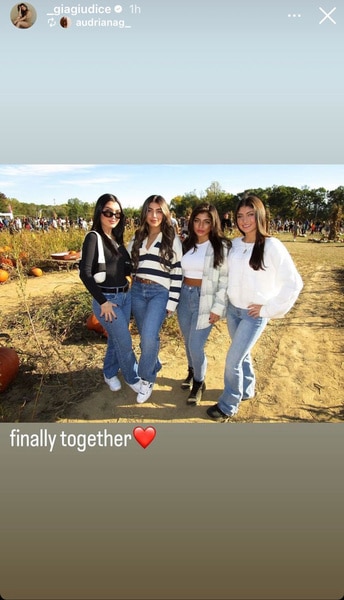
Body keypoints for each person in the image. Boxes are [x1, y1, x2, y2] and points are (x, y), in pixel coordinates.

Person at [206, 195, 303, 421]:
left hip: (253, 314)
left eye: (250, 214)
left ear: (260, 216)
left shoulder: (272, 246)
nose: (245, 220)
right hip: (234, 311)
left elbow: (294, 283)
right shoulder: (235, 245)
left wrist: (268, 308)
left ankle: (228, 404)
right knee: (242, 354)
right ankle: (247, 389)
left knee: (233, 359)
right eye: (240, 216)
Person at [79, 193, 141, 395]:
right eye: (108, 212)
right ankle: (133, 378)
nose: (113, 216)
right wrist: (103, 302)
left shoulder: (116, 239)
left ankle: (109, 372)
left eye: (117, 213)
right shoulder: (93, 238)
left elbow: (124, 272)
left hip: (125, 297)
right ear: (99, 213)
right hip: (108, 301)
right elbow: (85, 274)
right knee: (125, 342)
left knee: (116, 339)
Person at [128, 195, 183, 404]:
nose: (154, 215)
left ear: (165, 213)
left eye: (159, 210)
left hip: (160, 293)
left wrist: (172, 302)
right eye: (150, 210)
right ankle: (153, 363)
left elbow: (177, 273)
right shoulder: (137, 237)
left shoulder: (172, 239)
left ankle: (147, 378)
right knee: (145, 336)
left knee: (150, 337)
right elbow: (126, 261)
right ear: (144, 213)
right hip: (138, 291)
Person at [177, 204, 231, 405]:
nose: (201, 226)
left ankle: (200, 383)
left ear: (213, 223)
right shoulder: (186, 244)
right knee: (188, 340)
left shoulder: (221, 247)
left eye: (206, 221)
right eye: (197, 221)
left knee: (196, 345)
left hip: (205, 299)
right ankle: (192, 372)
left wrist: (218, 308)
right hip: (185, 296)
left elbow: (224, 281)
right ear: (191, 222)